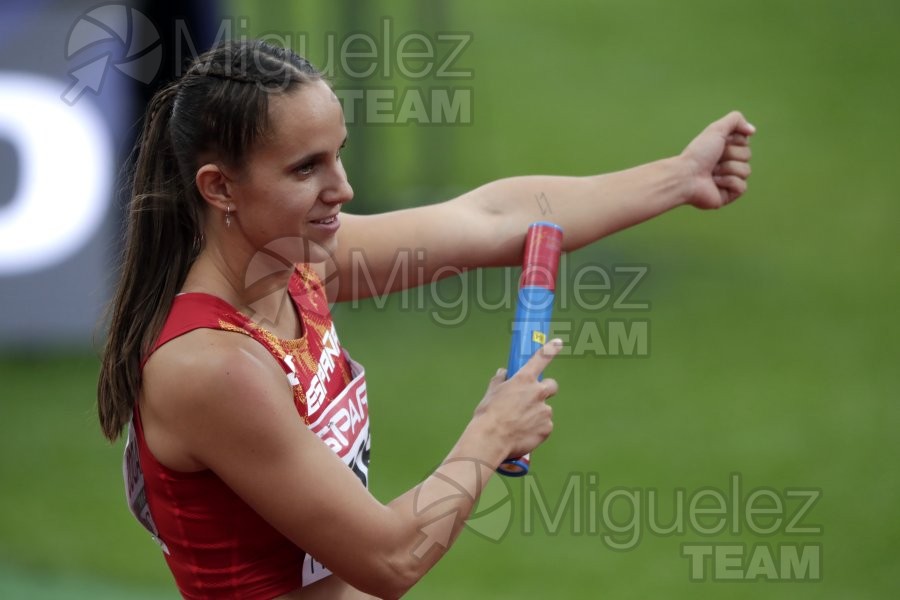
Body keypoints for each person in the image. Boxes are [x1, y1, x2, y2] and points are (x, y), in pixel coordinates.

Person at [97, 39, 754, 600]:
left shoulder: (297, 268)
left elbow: (492, 220)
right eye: (307, 168)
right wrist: (490, 434)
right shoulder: (213, 368)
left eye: (339, 153)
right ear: (219, 188)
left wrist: (679, 177)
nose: (344, 188)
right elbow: (391, 558)